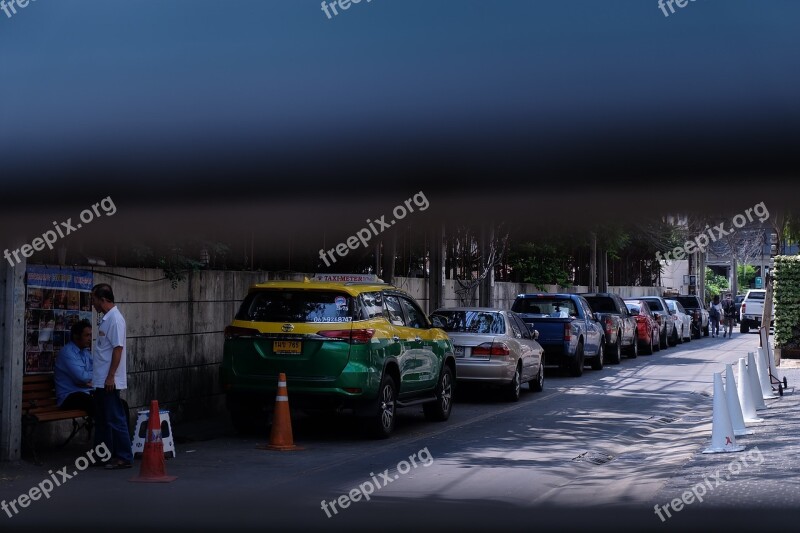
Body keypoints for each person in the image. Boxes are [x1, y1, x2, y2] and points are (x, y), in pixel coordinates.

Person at [91, 283, 133, 470]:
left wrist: (111, 377)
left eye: (94, 299)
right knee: (102, 420)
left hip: (108, 380)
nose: (92, 303)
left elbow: (118, 349)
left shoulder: (115, 319)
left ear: (103, 299)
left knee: (115, 418)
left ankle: (124, 456)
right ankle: (101, 456)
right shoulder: (107, 319)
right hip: (100, 380)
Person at [54, 319, 94, 415]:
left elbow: (98, 372)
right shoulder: (67, 353)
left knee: (118, 403)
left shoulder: (86, 353)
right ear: (76, 336)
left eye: (90, 335)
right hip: (69, 396)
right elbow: (81, 377)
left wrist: (88, 380)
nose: (90, 338)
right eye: (86, 335)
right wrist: (87, 379)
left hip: (86, 392)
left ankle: (120, 430)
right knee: (98, 404)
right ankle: (104, 430)